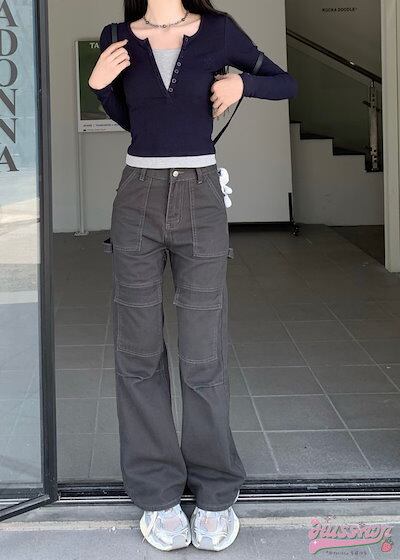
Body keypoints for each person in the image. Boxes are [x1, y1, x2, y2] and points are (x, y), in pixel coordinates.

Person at [88, 0, 297, 552]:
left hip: (201, 197)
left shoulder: (219, 32)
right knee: (137, 351)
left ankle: (215, 489)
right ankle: (156, 490)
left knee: (204, 351)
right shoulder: (116, 35)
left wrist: (243, 85)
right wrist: (100, 88)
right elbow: (137, 120)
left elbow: (287, 83)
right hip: (137, 196)